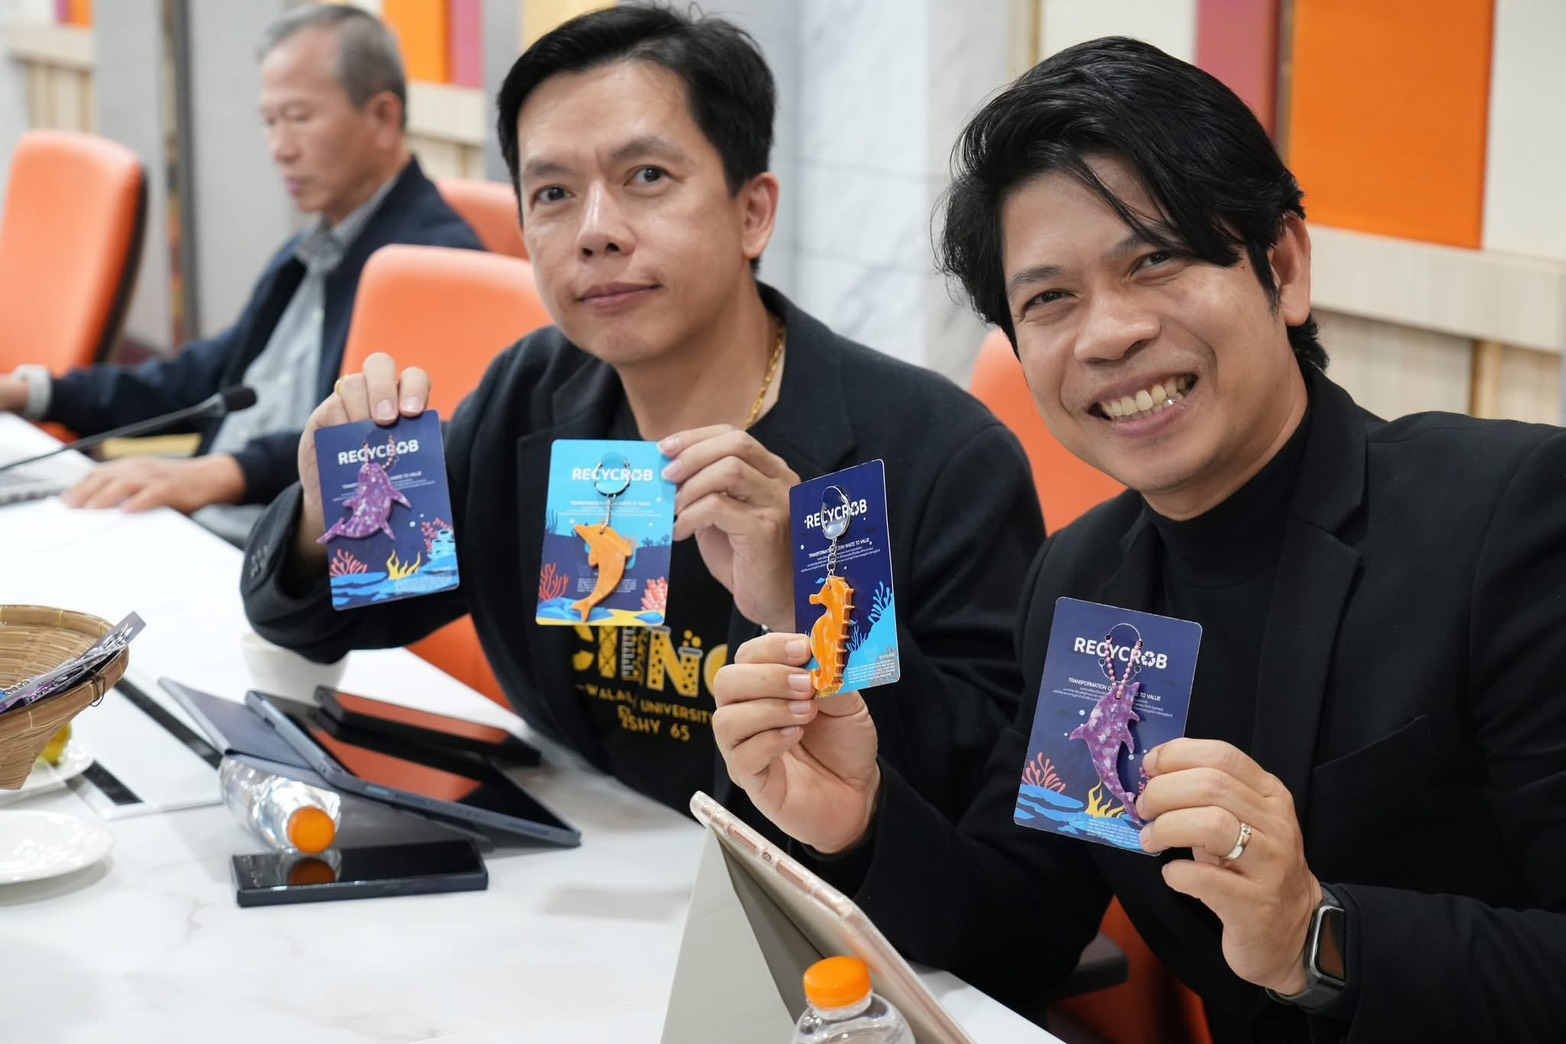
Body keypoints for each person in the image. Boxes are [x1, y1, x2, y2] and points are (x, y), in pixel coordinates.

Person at [710, 36, 1566, 1043]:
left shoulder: (1505, 520)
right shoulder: (1085, 586)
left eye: (1154, 259)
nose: (1109, 333)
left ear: (1282, 267)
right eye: (1049, 300)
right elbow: (1022, 927)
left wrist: (1317, 934)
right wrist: (858, 819)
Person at [239, 7, 1041, 831]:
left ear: (753, 212)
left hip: (802, 895)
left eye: (647, 177)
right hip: (578, 860)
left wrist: (811, 605)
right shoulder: (531, 395)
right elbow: (330, 619)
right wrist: (324, 518)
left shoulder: (930, 455)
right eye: (554, 193)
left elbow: (982, 781)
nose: (596, 232)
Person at [0, 5, 481, 544]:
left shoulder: (436, 263)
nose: (280, 148)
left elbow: (381, 445)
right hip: (204, 524)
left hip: (284, 555)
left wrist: (221, 474)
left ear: (383, 118)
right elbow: (200, 379)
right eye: (270, 122)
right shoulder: (313, 247)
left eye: (298, 117)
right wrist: (32, 392)